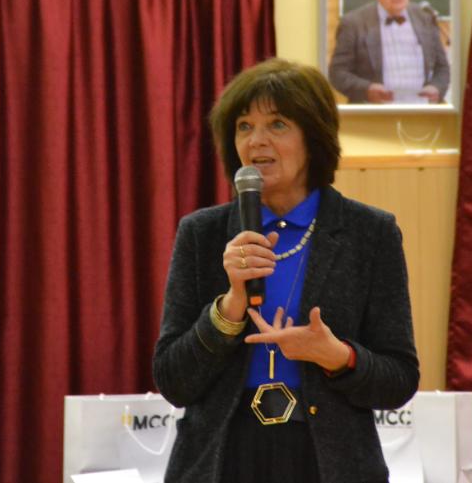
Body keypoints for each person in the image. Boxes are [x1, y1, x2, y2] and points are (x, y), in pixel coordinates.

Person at [152, 58, 420, 483]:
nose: (256, 140)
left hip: (329, 461)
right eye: (244, 126)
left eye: (277, 124)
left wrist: (337, 356)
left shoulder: (370, 233)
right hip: (224, 459)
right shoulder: (202, 234)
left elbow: (399, 380)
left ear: (313, 136)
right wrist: (229, 308)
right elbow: (173, 381)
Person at [328, 0, 450, 104]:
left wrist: (436, 88)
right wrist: (366, 89)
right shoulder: (353, 23)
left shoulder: (426, 18)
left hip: (420, 110)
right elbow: (337, 73)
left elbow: (442, 68)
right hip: (373, 112)